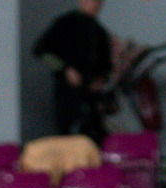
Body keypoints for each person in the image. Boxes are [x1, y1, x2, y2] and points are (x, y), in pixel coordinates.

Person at [32, 0, 113, 144]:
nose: (95, 4)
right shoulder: (65, 24)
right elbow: (41, 50)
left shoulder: (99, 32)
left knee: (95, 136)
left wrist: (100, 81)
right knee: (70, 138)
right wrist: (65, 70)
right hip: (68, 94)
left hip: (92, 97)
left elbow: (106, 67)